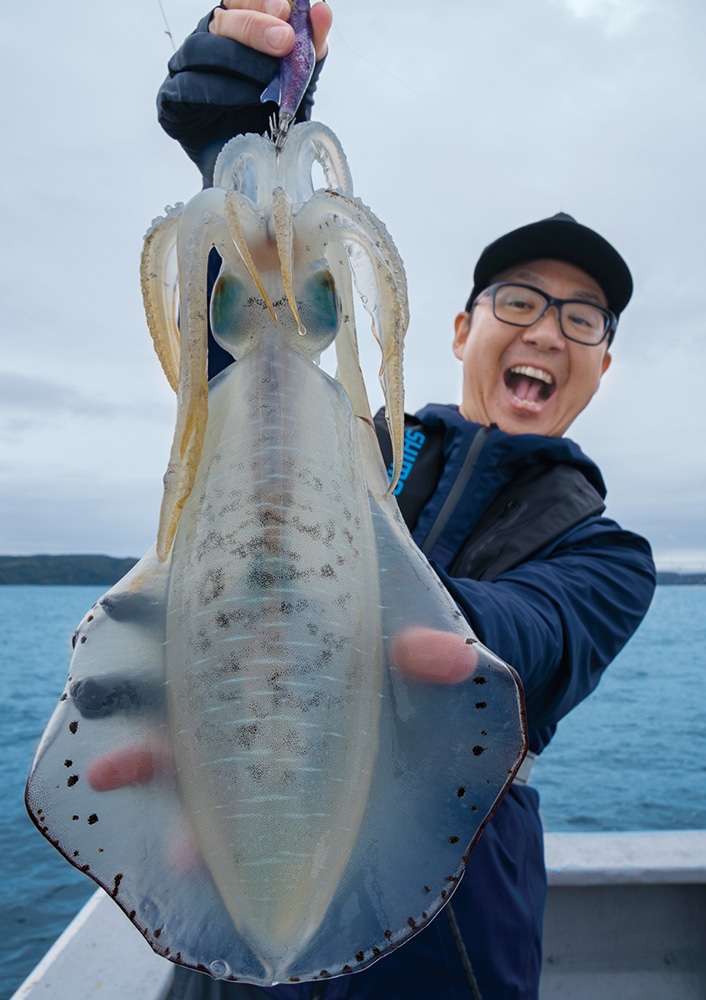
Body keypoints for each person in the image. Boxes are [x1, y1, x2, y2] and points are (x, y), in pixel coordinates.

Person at [156, 4, 656, 998]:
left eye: (582, 318)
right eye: (518, 302)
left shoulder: (609, 557)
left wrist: (410, 619)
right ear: (463, 326)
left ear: (601, 364)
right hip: (249, 844)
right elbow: (250, 370)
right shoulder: (346, 443)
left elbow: (530, 638)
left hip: (447, 934)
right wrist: (237, 146)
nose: (547, 333)